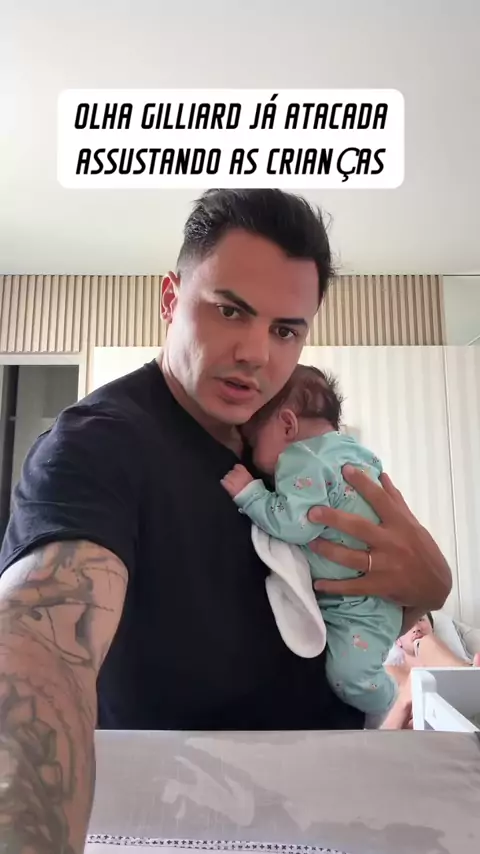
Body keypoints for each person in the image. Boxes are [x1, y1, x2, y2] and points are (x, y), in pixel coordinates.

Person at [0, 188, 451, 853]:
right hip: (188, 828)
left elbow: (377, 592)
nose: (255, 353)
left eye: (285, 330)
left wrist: (432, 585)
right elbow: (37, 661)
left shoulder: (287, 448)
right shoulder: (98, 446)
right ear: (170, 298)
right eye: (230, 310)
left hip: (328, 812)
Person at [222, 364, 400, 716]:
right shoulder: (353, 452)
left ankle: (395, 700)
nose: (250, 452)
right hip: (375, 595)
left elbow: (296, 525)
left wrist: (251, 494)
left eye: (253, 441)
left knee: (350, 678)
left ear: (288, 425)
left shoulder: (303, 459)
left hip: (358, 604)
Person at [381, 614, 480, 729]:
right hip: (422, 731)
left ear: (432, 629)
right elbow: (383, 730)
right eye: (408, 624)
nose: (416, 628)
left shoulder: (451, 654)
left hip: (467, 717)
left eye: (421, 619)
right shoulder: (389, 673)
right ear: (398, 640)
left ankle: (469, 674)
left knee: (426, 642)